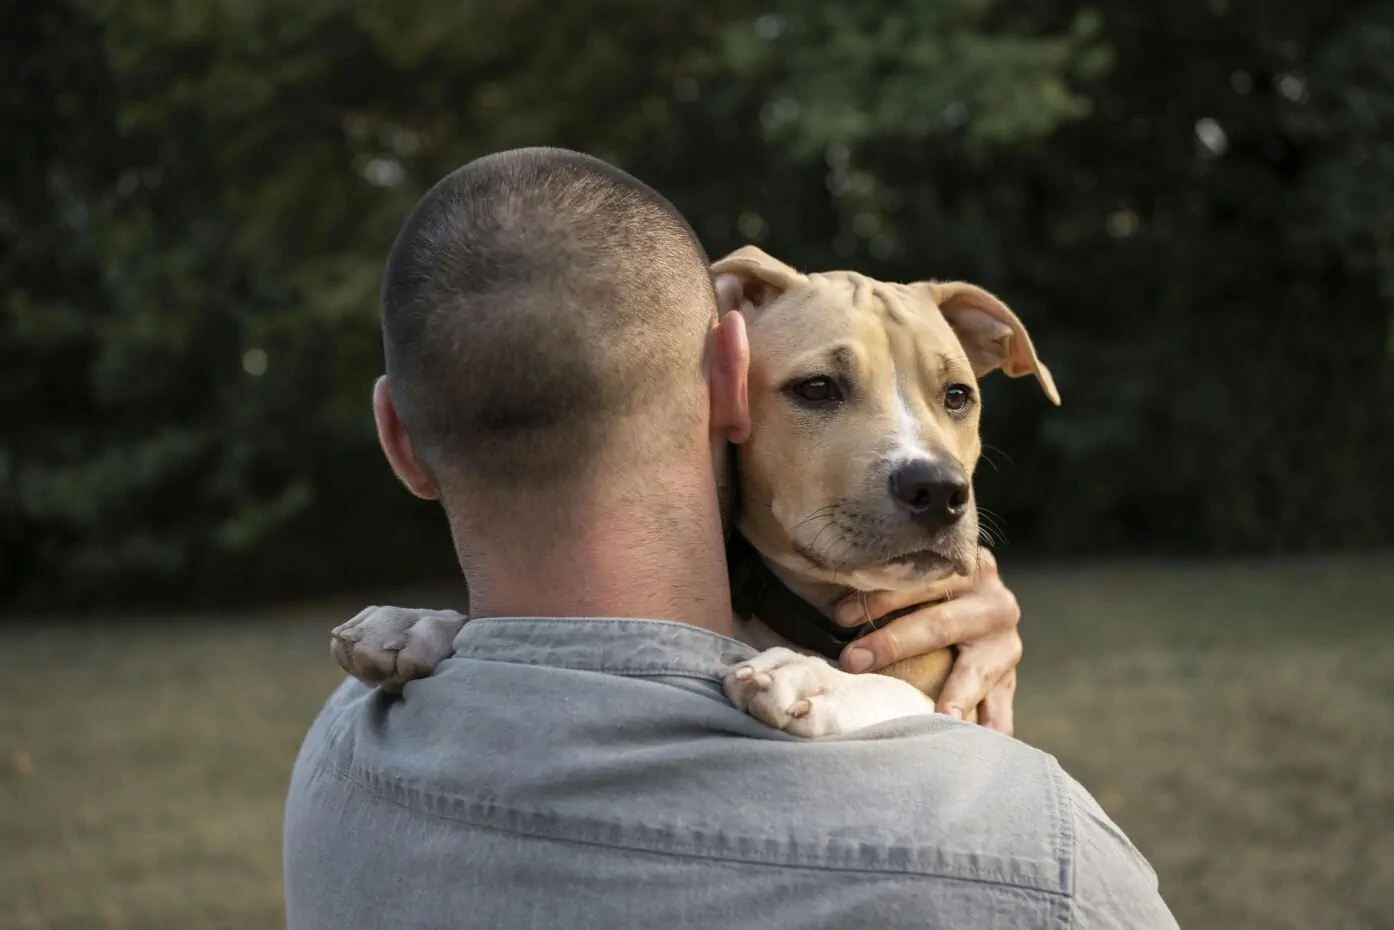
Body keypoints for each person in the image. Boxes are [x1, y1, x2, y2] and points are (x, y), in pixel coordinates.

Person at [283, 147, 1178, 929]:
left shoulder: (339, 755)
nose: (936, 466)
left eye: (957, 398)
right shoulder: (1044, 863)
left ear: (400, 439)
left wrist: (463, 643)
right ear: (727, 378)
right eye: (822, 390)